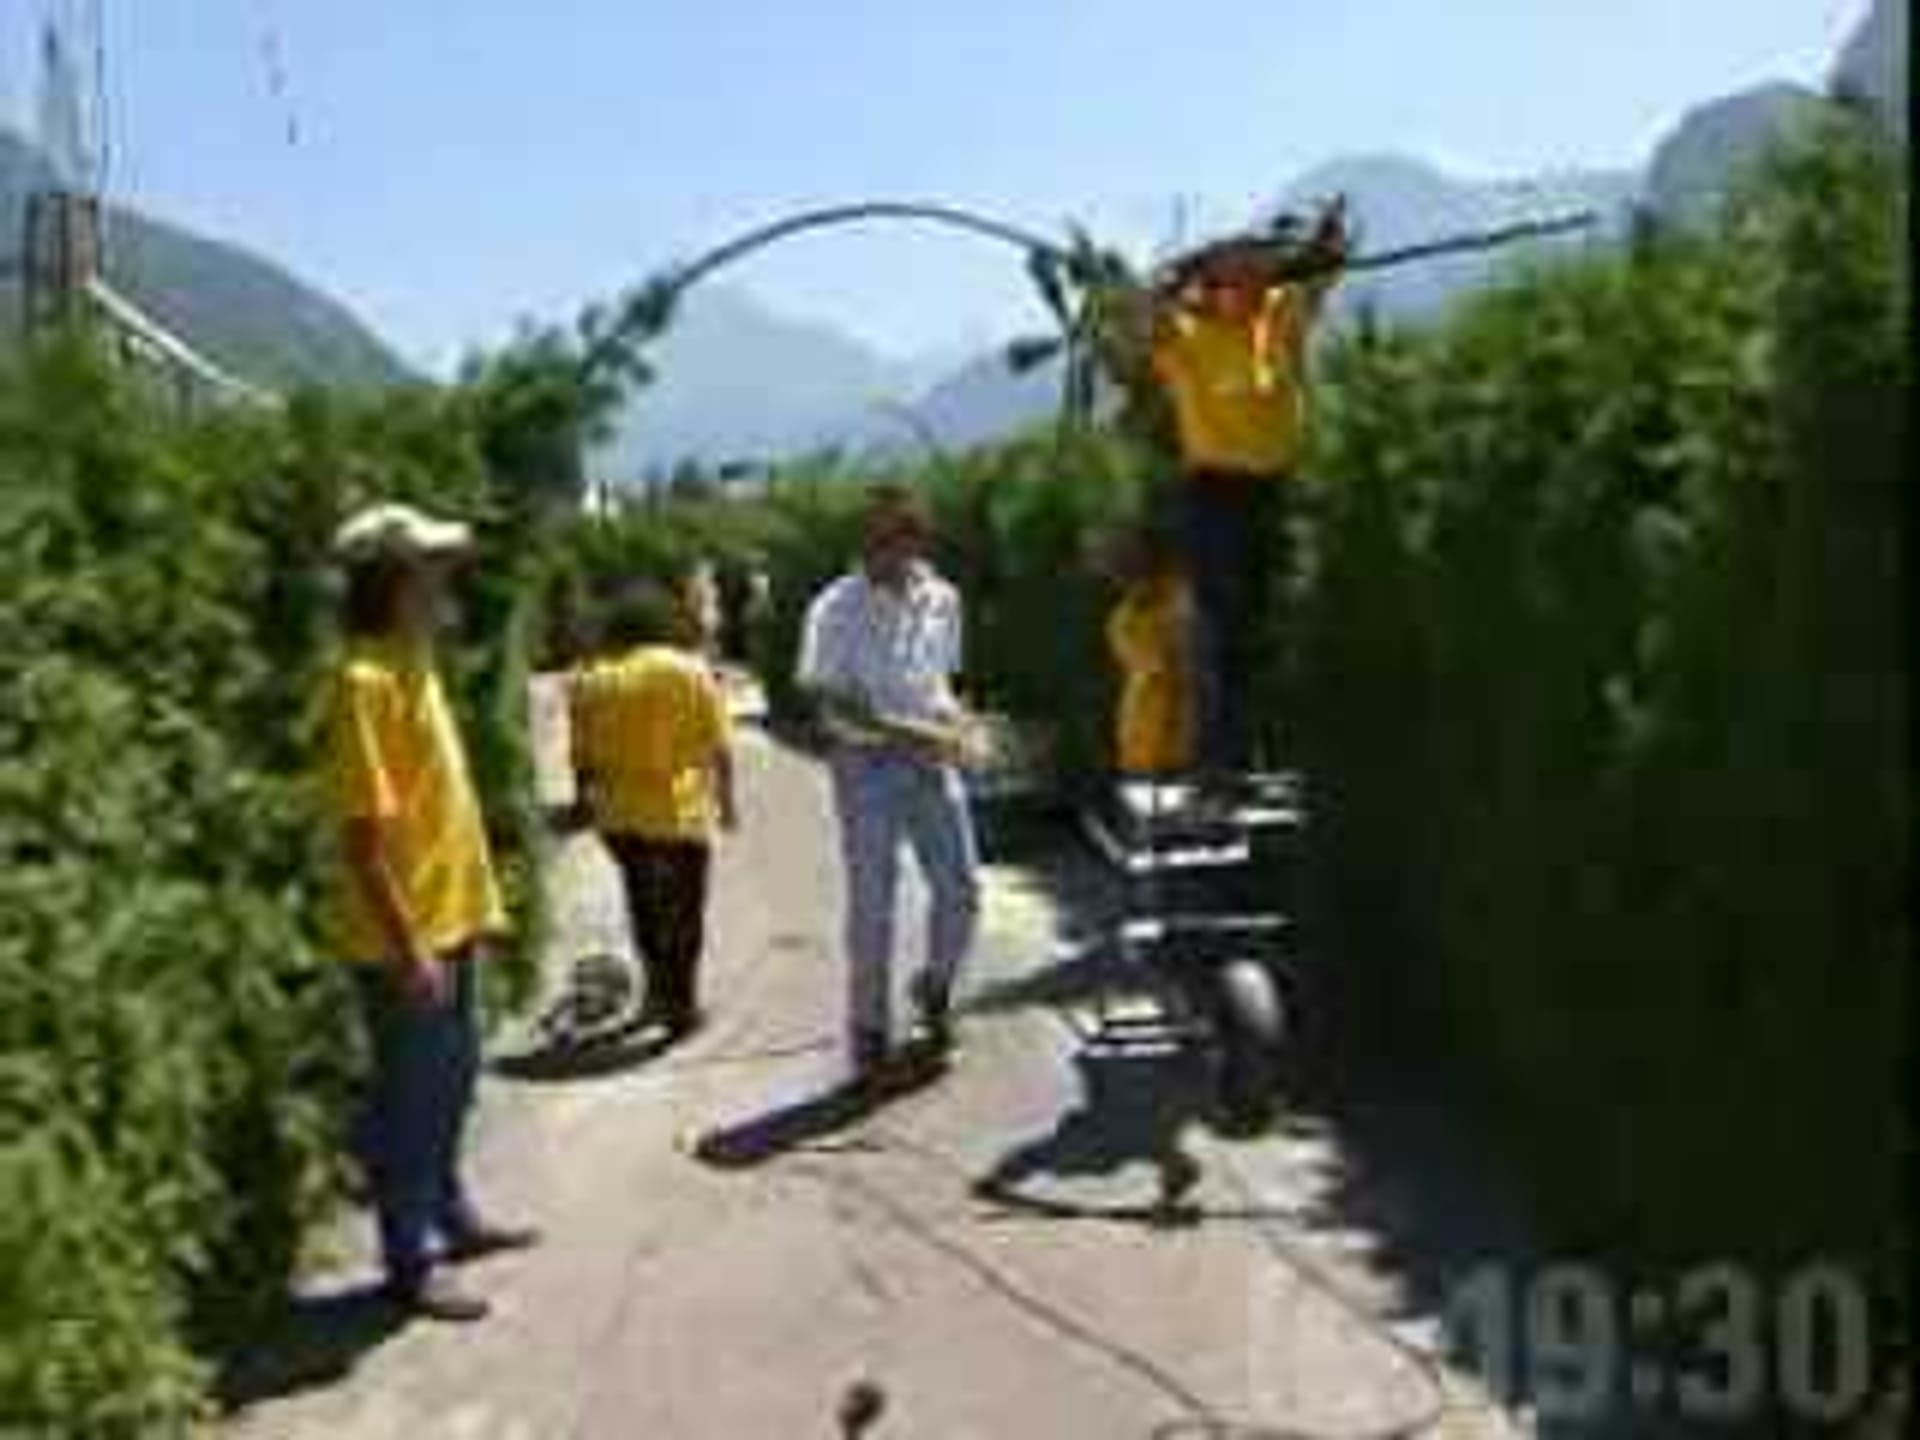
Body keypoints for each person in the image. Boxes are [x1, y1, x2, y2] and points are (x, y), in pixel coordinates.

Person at [323, 501, 537, 1324]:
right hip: (404, 939)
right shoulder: (363, 682)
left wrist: (472, 906)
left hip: (449, 920)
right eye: (432, 569)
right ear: (394, 581)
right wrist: (409, 948)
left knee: (450, 1085)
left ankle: (450, 1212)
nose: (447, 580)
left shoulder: (414, 662)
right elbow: (363, 837)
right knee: (410, 1098)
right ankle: (412, 1259)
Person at [1109, 199, 1350, 795]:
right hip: (1215, 495)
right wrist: (1179, 273)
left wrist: (1324, 242)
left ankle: (1257, 756)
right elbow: (1138, 313)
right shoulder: (1187, 335)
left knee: (1268, 626)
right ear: (1212, 285)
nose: (1249, 286)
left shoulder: (1277, 317)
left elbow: (1327, 269)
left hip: (1276, 490)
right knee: (1221, 631)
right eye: (1236, 277)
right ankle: (1217, 765)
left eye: (1257, 275)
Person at [797, 485, 981, 1082]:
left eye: (895, 537)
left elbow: (943, 684)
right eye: (873, 538)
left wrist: (963, 726)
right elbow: (832, 706)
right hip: (866, 767)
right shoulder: (834, 608)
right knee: (873, 903)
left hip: (934, 759)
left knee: (962, 889)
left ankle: (935, 988)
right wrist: (911, 733)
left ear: (916, 538)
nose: (882, 550)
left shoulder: (943, 599)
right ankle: (869, 1030)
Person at [570, 580, 738, 1042]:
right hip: (679, 814)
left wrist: (585, 804)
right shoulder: (691, 670)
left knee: (644, 907)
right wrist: (727, 802)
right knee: (684, 913)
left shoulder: (592, 677)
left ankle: (657, 993)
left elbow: (581, 758)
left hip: (620, 818)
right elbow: (720, 746)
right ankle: (681, 1007)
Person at [1097, 521, 1197, 779]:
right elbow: (1149, 670)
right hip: (1143, 751)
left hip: (1182, 750)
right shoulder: (1122, 618)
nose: (1115, 575)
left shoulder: (1183, 601)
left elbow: (1178, 667)